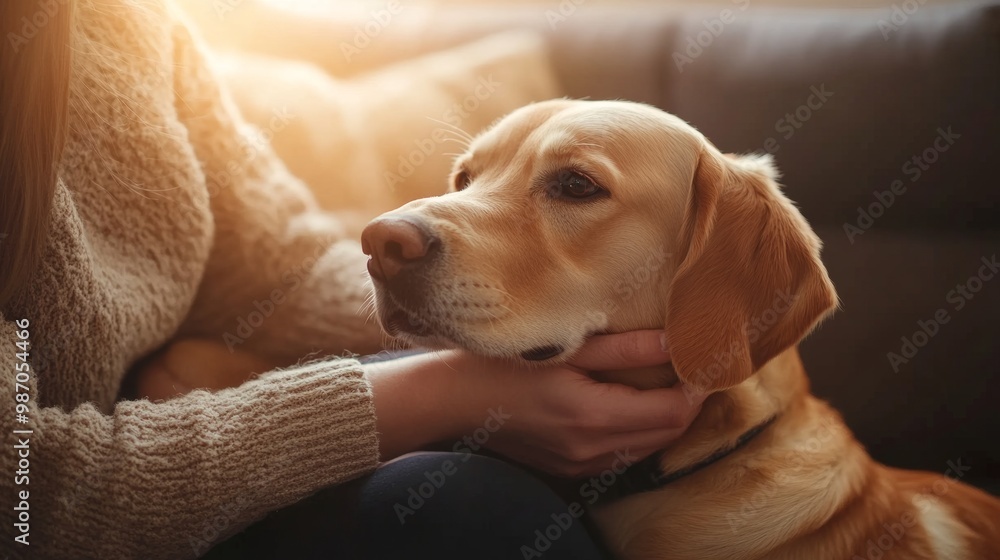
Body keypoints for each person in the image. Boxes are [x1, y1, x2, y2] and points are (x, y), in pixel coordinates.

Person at [0, 1, 705, 558]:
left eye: (574, 185)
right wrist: (447, 393)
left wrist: (443, 300)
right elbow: (26, 500)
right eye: (465, 178)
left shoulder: (134, 21)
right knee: (461, 505)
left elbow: (274, 269)